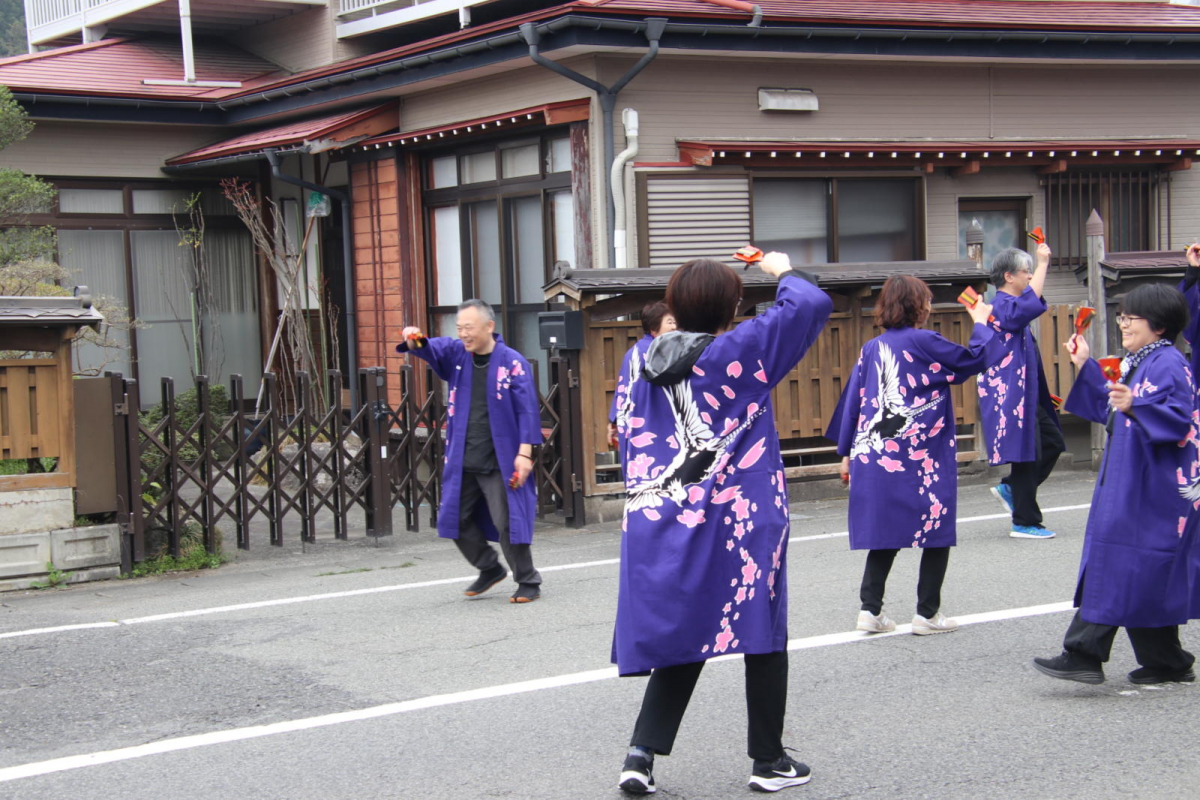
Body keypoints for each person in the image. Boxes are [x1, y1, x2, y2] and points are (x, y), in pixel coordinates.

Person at [612, 253, 832, 795]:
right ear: (731, 307)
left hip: (669, 517)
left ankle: (640, 755)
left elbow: (628, 434)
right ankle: (768, 760)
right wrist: (780, 270)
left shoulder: (640, 361)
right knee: (762, 629)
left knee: (689, 629)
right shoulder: (737, 350)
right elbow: (809, 302)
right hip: (741, 518)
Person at [1032, 284, 1197, 685]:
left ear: (1158, 326)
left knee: (1118, 562)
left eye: (1131, 317)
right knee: (1141, 570)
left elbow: (1179, 419)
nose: (1123, 323)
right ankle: (1166, 660)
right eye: (1122, 316)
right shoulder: (1144, 360)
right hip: (1138, 480)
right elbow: (1111, 406)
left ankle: (1083, 653)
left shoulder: (1168, 363)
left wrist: (1135, 404)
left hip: (1149, 486)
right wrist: (1085, 363)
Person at [827, 276, 1004, 636]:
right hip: (922, 454)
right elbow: (975, 359)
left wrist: (845, 452)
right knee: (936, 526)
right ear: (917, 306)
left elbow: (853, 402)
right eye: (926, 300)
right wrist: (981, 321)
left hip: (876, 454)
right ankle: (927, 613)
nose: (929, 306)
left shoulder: (871, 348)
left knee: (886, 530)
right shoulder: (926, 341)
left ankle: (870, 610)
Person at [398, 300, 544, 604]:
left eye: (469, 328)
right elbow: (430, 347)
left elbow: (528, 411)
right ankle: (489, 567)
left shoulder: (513, 363)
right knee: (453, 517)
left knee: (507, 522)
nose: (463, 334)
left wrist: (524, 454)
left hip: (501, 458)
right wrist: (415, 337)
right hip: (464, 455)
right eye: (460, 328)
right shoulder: (457, 355)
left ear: (489, 326)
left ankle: (528, 580)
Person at [979, 245, 1065, 539]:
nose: (1030, 276)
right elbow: (1030, 303)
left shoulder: (1009, 306)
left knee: (1052, 442)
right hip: (1013, 396)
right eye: (1025, 271)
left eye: (1031, 271)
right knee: (1028, 454)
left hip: (1028, 394)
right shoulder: (1000, 306)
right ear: (1008, 276)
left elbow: (1029, 303)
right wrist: (1043, 263)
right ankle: (1024, 521)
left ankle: (1011, 488)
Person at [609, 301, 676, 451]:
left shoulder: (635, 352)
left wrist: (615, 420)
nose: (674, 327)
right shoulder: (647, 353)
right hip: (654, 422)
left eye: (675, 322)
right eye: (670, 322)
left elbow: (622, 391)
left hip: (644, 423)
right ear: (653, 328)